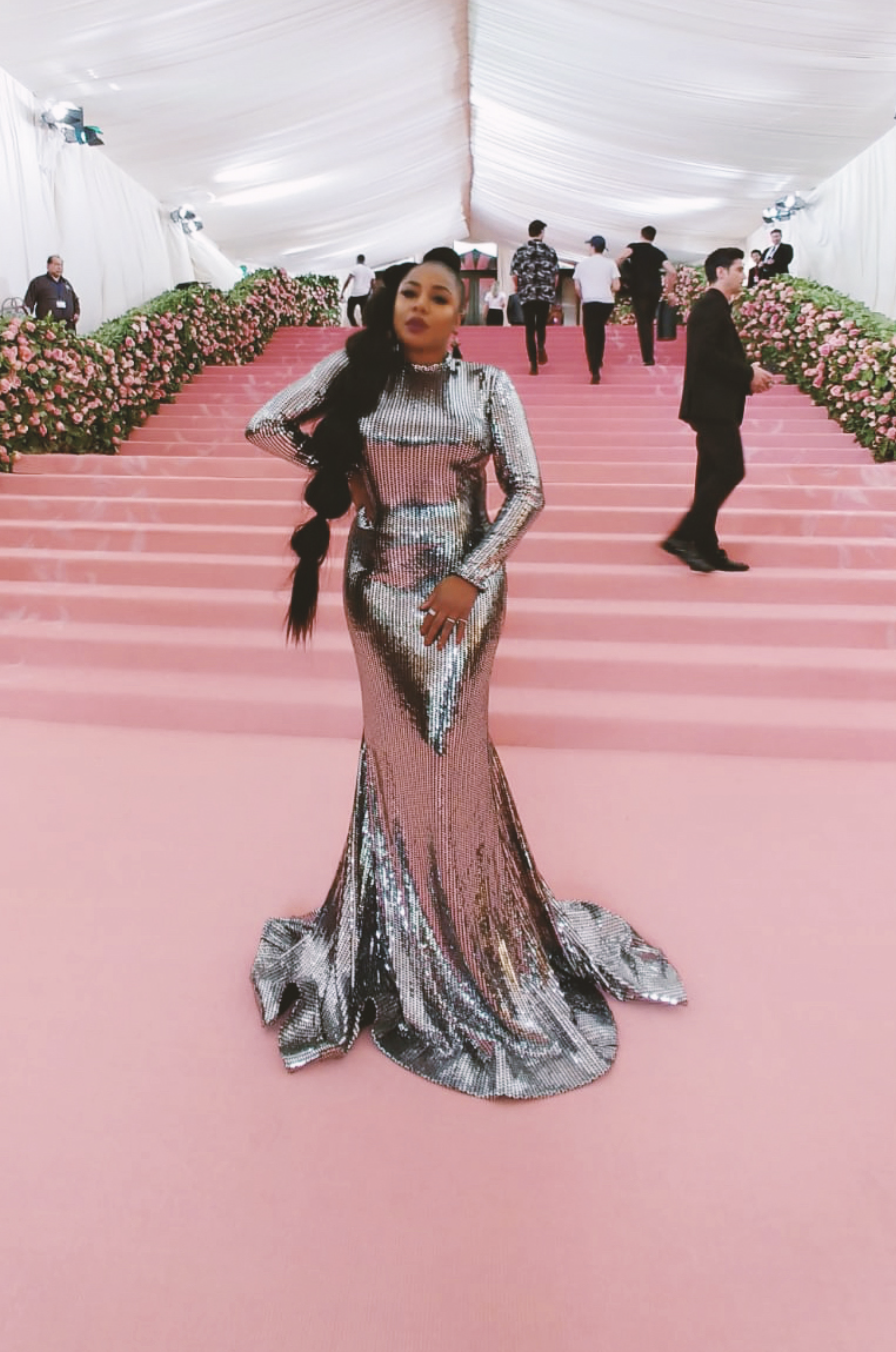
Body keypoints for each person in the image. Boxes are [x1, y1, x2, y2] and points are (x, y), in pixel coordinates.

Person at [245, 248, 685, 1102]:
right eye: (408, 291)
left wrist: (470, 573)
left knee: (452, 746)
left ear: (463, 311)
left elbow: (527, 491)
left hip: (465, 590)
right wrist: (341, 474)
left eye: (438, 296)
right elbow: (265, 423)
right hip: (376, 587)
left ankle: (476, 932)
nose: (419, 304)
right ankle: (393, 935)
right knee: (398, 753)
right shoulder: (357, 371)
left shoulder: (488, 387)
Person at [661, 247, 774, 575]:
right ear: (721, 272)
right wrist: (748, 373)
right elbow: (706, 356)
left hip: (712, 404)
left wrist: (748, 374)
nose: (743, 274)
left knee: (710, 476)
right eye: (739, 268)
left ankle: (706, 548)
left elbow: (713, 356)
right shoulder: (711, 306)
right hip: (711, 407)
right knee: (730, 470)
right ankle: (682, 536)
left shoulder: (715, 307)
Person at [617, 226, 677, 366]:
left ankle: (648, 358)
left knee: (643, 322)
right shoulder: (658, 253)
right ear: (653, 237)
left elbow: (620, 257)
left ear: (641, 234)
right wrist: (669, 291)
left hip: (638, 288)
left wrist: (618, 275)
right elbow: (672, 271)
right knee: (648, 320)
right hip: (654, 289)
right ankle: (648, 356)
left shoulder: (634, 247)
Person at [510, 220, 560, 374]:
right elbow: (556, 275)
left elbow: (514, 274)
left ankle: (533, 364)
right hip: (544, 294)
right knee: (541, 325)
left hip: (527, 293)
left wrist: (519, 288)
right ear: (542, 232)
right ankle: (541, 346)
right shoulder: (550, 251)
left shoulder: (520, 251)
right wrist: (551, 289)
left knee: (529, 328)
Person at [572, 236, 620, 383]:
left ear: (592, 247)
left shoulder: (581, 265)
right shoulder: (610, 264)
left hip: (590, 301)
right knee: (599, 330)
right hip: (606, 302)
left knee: (590, 334)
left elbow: (577, 287)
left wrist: (583, 296)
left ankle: (594, 368)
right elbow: (617, 285)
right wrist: (608, 291)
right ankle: (599, 359)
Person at [24, 255, 80, 329]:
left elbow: (75, 300)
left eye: (61, 265)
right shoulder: (38, 282)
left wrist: (77, 312)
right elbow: (29, 302)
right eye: (56, 264)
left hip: (67, 326)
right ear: (48, 266)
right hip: (47, 327)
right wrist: (27, 320)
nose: (59, 267)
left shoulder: (66, 284)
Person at [340, 254, 374, 327]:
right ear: (364, 260)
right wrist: (371, 293)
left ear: (357, 260)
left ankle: (355, 326)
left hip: (355, 294)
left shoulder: (355, 269)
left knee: (349, 313)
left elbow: (348, 280)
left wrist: (342, 292)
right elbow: (373, 283)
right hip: (365, 294)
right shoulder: (370, 270)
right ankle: (365, 328)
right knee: (364, 314)